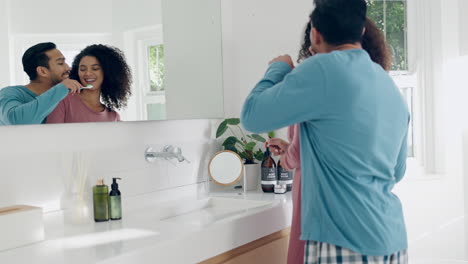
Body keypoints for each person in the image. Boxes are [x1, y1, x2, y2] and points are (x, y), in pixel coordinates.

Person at [241, 0, 409, 262]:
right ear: (361, 31)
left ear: (315, 33)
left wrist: (279, 67)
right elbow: (396, 171)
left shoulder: (321, 70)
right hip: (391, 240)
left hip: (344, 240)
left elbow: (252, 116)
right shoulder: (388, 86)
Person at [268, 16, 393, 264]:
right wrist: (291, 147)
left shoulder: (321, 86)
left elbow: (300, 150)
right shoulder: (377, 87)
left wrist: (287, 158)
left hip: (320, 200)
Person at [0, 42, 82, 125]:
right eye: (60, 63)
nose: (68, 68)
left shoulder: (65, 95)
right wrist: (61, 88)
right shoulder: (9, 93)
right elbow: (17, 121)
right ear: (43, 71)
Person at [46, 44, 132, 124]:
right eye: (83, 69)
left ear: (107, 73)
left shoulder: (113, 117)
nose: (87, 73)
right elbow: (52, 136)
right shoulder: (62, 100)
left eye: (95, 69)